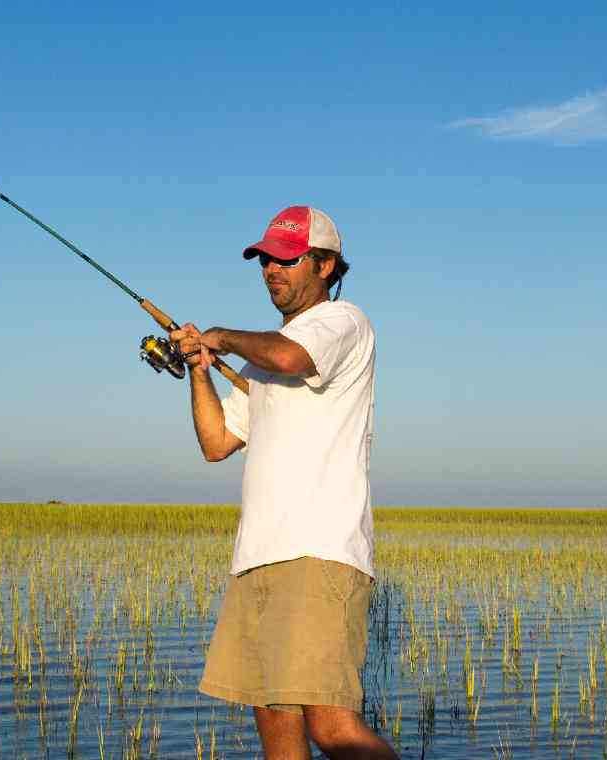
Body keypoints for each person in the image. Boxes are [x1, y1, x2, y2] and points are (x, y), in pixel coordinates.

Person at [168, 205, 394, 760]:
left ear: (326, 266)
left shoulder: (344, 323)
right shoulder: (259, 364)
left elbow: (293, 355)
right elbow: (216, 443)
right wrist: (199, 369)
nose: (273, 268)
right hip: (257, 558)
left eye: (287, 257)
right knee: (276, 727)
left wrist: (219, 335)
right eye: (266, 258)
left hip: (317, 551)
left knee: (333, 727)